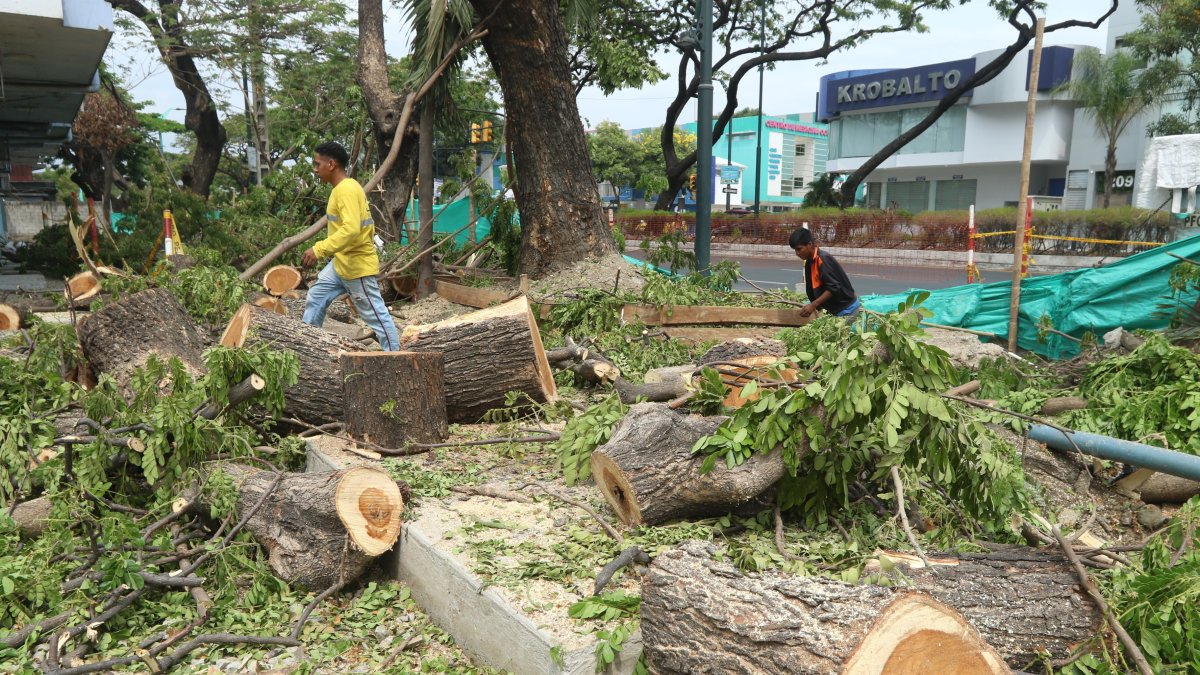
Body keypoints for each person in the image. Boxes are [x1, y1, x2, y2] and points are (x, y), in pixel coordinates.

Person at [300, 141, 399, 351]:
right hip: (341, 263)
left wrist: (318, 249)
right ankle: (309, 349)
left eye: (317, 164)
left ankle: (398, 359)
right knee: (316, 296)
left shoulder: (346, 190)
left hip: (356, 266)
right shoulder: (342, 189)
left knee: (376, 317)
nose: (315, 170)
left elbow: (351, 230)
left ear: (331, 164)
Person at [788, 227, 860, 318]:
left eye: (799, 249)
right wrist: (812, 304)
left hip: (847, 310)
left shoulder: (823, 259)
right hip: (834, 311)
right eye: (795, 250)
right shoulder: (809, 263)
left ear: (809, 244)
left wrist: (813, 305)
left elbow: (833, 287)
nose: (797, 253)